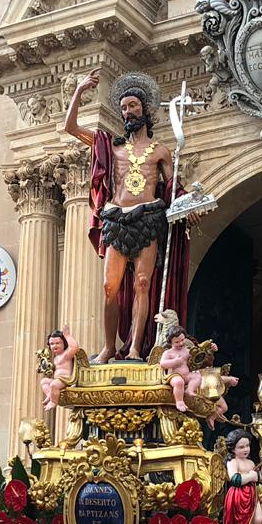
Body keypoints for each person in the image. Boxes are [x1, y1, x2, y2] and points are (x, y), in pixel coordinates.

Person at [62, 69, 185, 363]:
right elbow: (70, 127)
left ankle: (134, 348)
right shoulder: (111, 146)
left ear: (144, 110)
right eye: (124, 107)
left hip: (148, 218)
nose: (128, 112)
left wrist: (187, 206)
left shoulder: (160, 151)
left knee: (142, 283)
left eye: (133, 106)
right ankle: (108, 347)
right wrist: (79, 90)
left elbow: (172, 187)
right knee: (110, 287)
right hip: (116, 218)